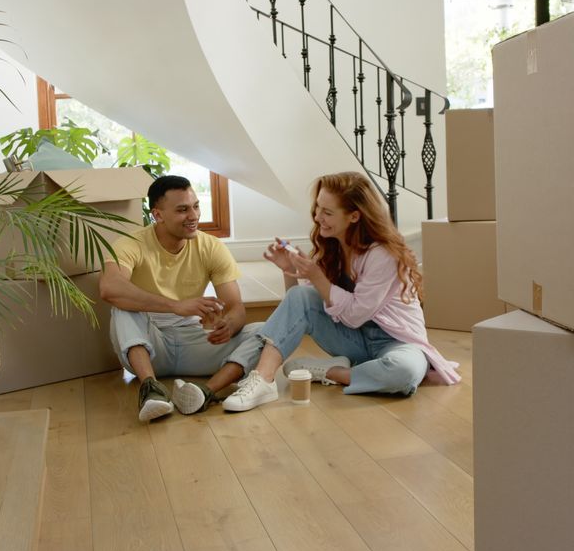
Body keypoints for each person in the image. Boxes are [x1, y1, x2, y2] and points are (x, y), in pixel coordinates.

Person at [221, 171, 460, 412]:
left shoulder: (383, 254)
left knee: (405, 372)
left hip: (396, 341)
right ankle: (263, 380)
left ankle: (332, 371)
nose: (318, 217)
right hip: (354, 340)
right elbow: (300, 305)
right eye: (318, 208)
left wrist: (316, 276)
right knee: (300, 295)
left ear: (354, 216)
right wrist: (289, 271)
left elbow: (355, 314)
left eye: (327, 212)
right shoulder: (331, 247)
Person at [99, 175, 263, 422]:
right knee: (122, 307)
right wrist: (175, 306)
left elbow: (235, 307)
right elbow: (109, 288)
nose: (194, 215)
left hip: (194, 343)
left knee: (264, 331)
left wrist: (229, 325)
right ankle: (151, 389)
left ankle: (207, 391)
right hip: (148, 346)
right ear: (158, 215)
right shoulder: (131, 243)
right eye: (182, 210)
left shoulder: (211, 246)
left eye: (196, 206)